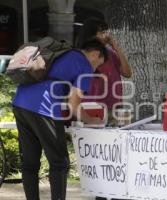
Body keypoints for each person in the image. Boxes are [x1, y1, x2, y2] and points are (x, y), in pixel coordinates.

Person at [12, 38, 107, 200]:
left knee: (30, 164)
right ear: (95, 53)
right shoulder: (84, 65)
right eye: (99, 63)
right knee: (59, 163)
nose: (96, 68)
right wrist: (93, 120)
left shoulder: (63, 53)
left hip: (20, 103)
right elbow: (74, 105)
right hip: (43, 108)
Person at [76, 17, 132, 125]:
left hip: (114, 107)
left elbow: (127, 73)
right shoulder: (81, 55)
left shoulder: (110, 53)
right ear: (92, 35)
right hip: (92, 107)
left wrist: (115, 46)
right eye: (102, 32)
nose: (106, 36)